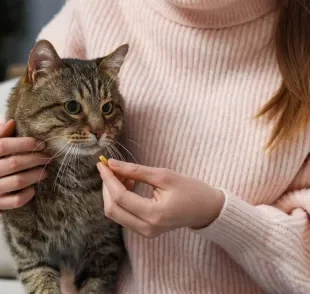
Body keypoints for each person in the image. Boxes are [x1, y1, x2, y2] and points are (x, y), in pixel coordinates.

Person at [0, 0, 310, 293]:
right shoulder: (95, 8)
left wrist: (216, 214)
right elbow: (26, 104)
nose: (97, 128)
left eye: (106, 110)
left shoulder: (301, 35)